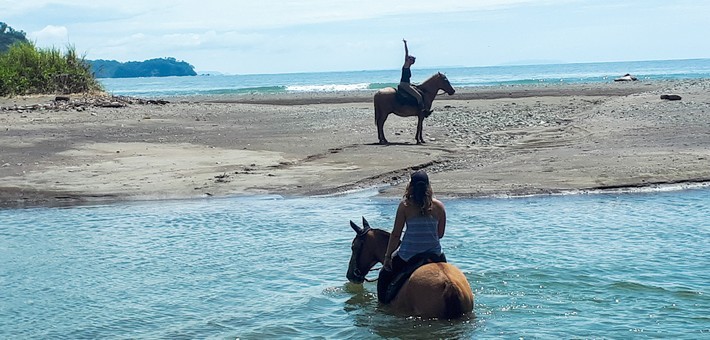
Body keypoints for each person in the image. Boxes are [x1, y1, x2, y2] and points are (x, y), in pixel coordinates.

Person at [378, 170, 447, 303]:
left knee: (384, 276)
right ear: (428, 186)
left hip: (408, 255)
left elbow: (396, 234)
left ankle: (382, 306)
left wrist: (387, 257)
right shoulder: (439, 206)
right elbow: (440, 234)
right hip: (435, 254)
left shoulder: (405, 206)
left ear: (411, 187)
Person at [398, 39, 430, 116]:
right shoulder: (406, 64)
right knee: (419, 97)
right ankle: (422, 111)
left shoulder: (408, 66)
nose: (412, 61)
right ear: (408, 60)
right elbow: (406, 53)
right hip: (404, 85)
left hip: (407, 84)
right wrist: (405, 44)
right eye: (411, 59)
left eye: (413, 60)